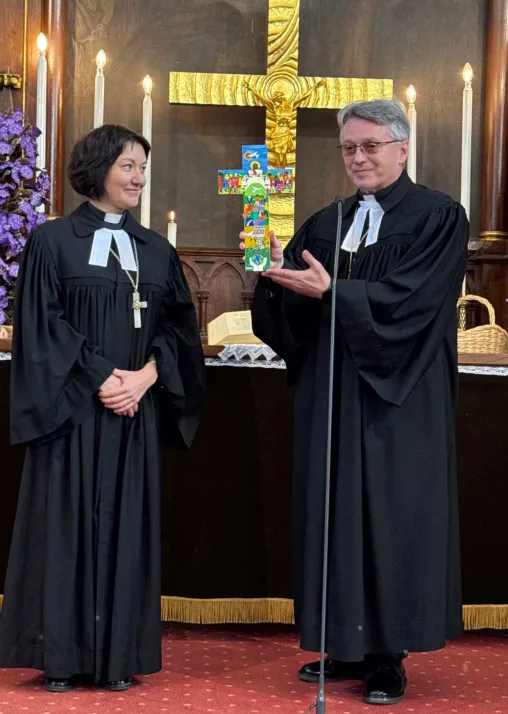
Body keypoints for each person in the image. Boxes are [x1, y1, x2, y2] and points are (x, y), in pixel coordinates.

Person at [242, 100, 468, 706]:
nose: (359, 158)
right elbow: (295, 302)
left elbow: (416, 300)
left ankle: (387, 658)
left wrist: (335, 290)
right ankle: (341, 640)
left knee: (390, 517)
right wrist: (271, 276)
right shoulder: (326, 219)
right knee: (332, 509)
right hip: (332, 393)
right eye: (349, 149)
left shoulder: (439, 216)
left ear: (401, 148)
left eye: (370, 146)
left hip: (399, 394)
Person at [0, 125, 205, 693]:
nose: (138, 177)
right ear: (97, 170)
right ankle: (59, 657)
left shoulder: (156, 250)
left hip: (131, 411)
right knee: (66, 527)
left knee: (125, 526)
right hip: (72, 412)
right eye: (127, 166)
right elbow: (42, 325)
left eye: (143, 166)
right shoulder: (52, 240)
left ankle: (119, 656)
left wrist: (143, 378)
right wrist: (101, 376)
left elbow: (179, 332)